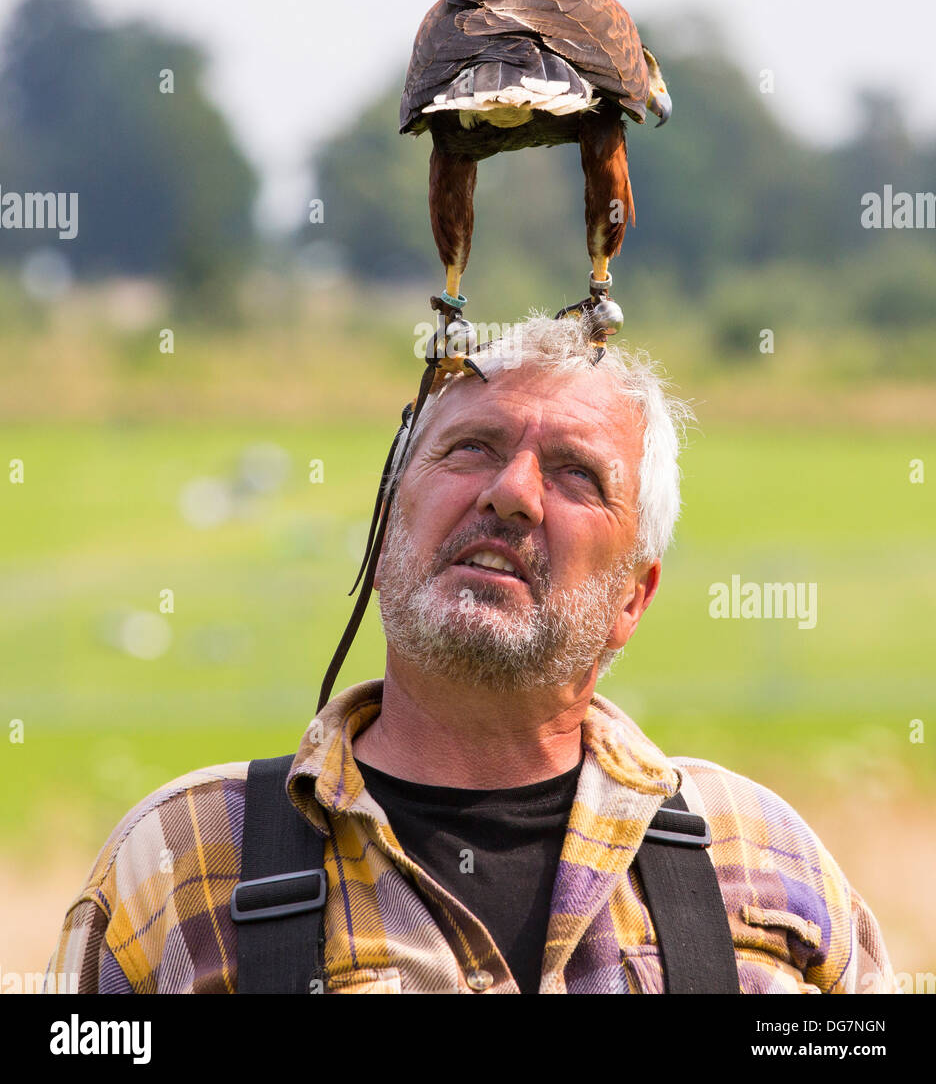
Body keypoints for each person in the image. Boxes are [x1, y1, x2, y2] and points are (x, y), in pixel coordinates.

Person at [45, 313, 894, 994]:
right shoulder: (187, 863)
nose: (512, 493)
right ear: (383, 539)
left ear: (634, 597)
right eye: (471, 448)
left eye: (575, 474)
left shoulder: (759, 859)